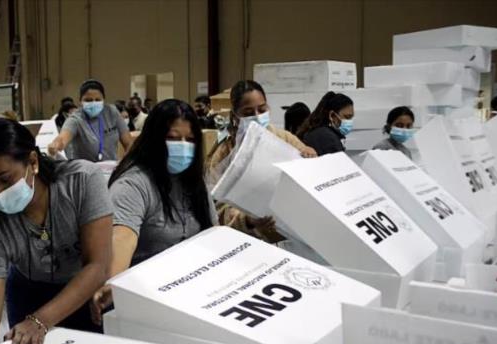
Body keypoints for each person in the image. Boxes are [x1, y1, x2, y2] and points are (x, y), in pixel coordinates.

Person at [0, 119, 113, 344]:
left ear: (32, 162)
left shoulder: (82, 181)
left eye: (5, 179)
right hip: (28, 294)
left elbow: (98, 266)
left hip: (84, 291)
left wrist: (40, 320)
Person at [90, 100, 217, 324]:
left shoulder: (195, 181)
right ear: (155, 139)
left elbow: (214, 236)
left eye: (190, 140)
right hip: (148, 301)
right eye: (174, 138)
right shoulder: (133, 184)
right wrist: (113, 281)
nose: (183, 146)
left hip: (194, 293)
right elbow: (122, 236)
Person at [206, 80, 316, 242]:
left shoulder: (285, 138)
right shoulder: (224, 153)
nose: (257, 116)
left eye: (262, 109)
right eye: (248, 112)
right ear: (236, 114)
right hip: (248, 241)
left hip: (289, 234)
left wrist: (310, 155)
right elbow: (217, 207)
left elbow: (311, 178)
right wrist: (247, 220)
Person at [48, 79, 134, 162]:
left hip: (111, 169)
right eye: (88, 100)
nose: (93, 103)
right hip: (86, 172)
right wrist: (55, 145)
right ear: (80, 101)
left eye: (97, 100)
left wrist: (124, 164)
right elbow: (63, 138)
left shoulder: (112, 113)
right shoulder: (76, 119)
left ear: (104, 100)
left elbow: (129, 143)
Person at [297, 92, 354, 157]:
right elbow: (339, 165)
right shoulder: (328, 139)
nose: (349, 121)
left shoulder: (315, 131)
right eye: (347, 117)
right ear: (332, 115)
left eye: (351, 118)